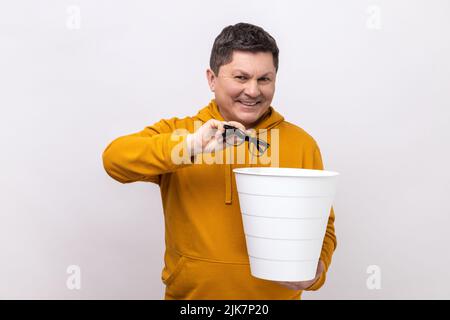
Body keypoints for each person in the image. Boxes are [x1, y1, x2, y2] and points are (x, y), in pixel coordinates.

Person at [102, 22, 337, 300]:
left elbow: (323, 225)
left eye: (265, 79)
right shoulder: (182, 134)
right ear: (212, 78)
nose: (253, 91)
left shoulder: (301, 143)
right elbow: (115, 160)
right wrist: (191, 146)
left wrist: (317, 271)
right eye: (240, 77)